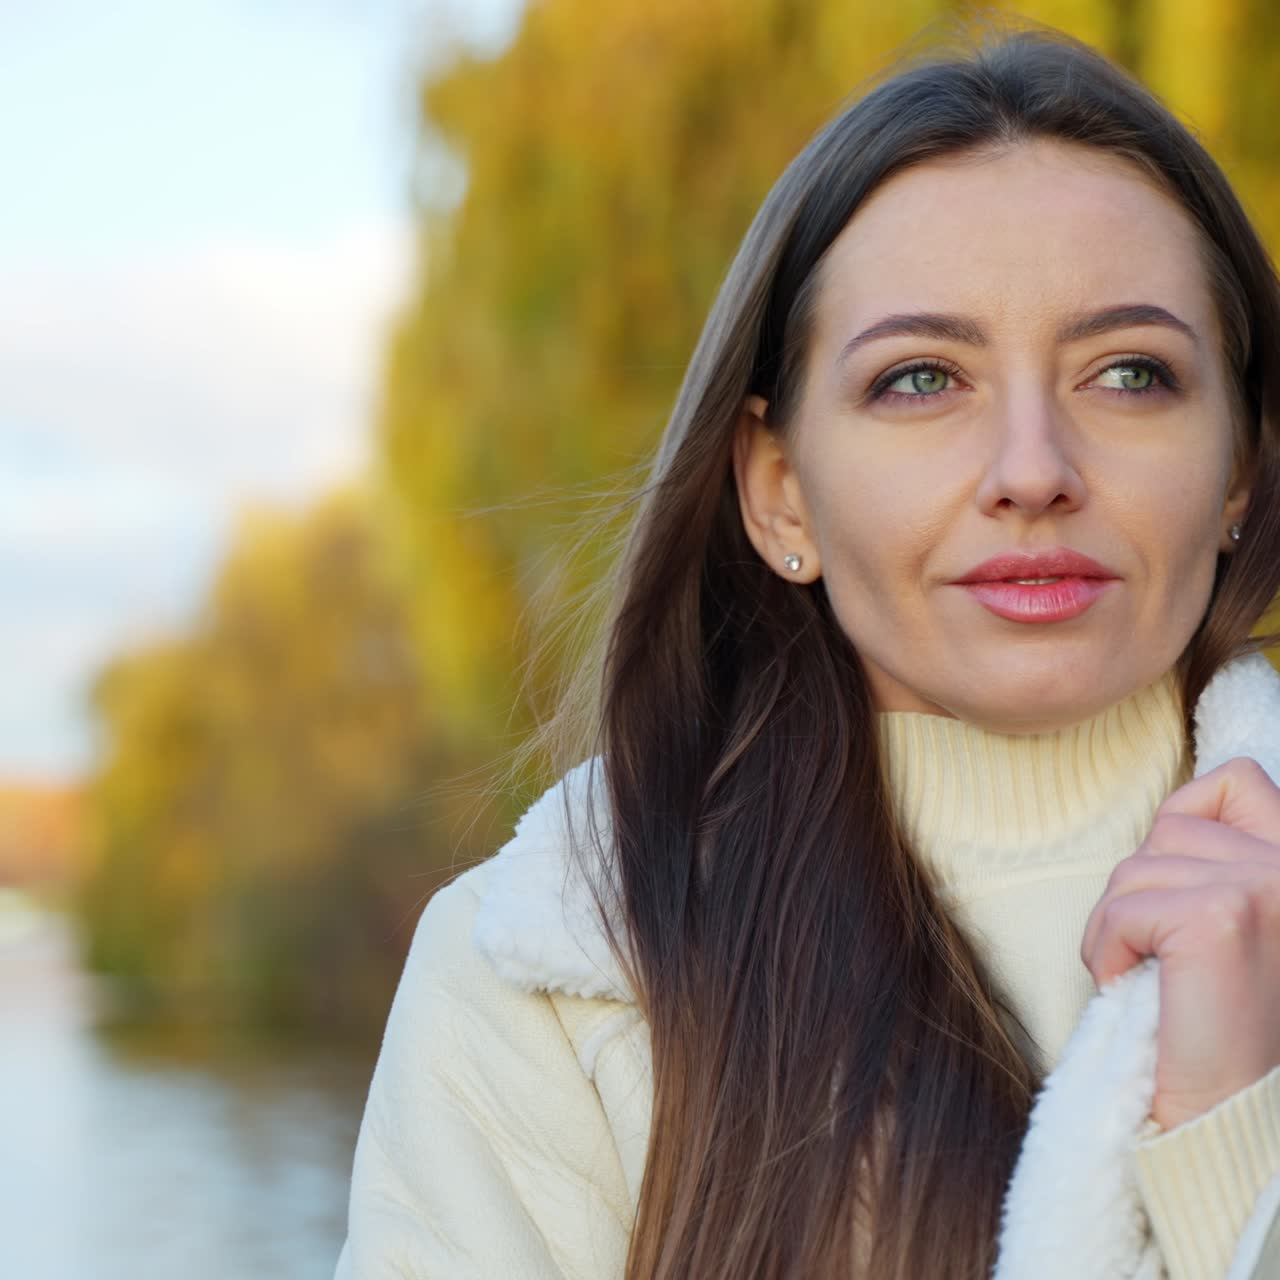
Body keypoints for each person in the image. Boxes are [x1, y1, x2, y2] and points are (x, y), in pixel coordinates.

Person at [334, 21, 1280, 1280]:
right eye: (918, 381)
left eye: (1125, 372)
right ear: (779, 491)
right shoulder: (556, 971)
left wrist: (1234, 1127)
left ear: (1238, 469)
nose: (1032, 472)